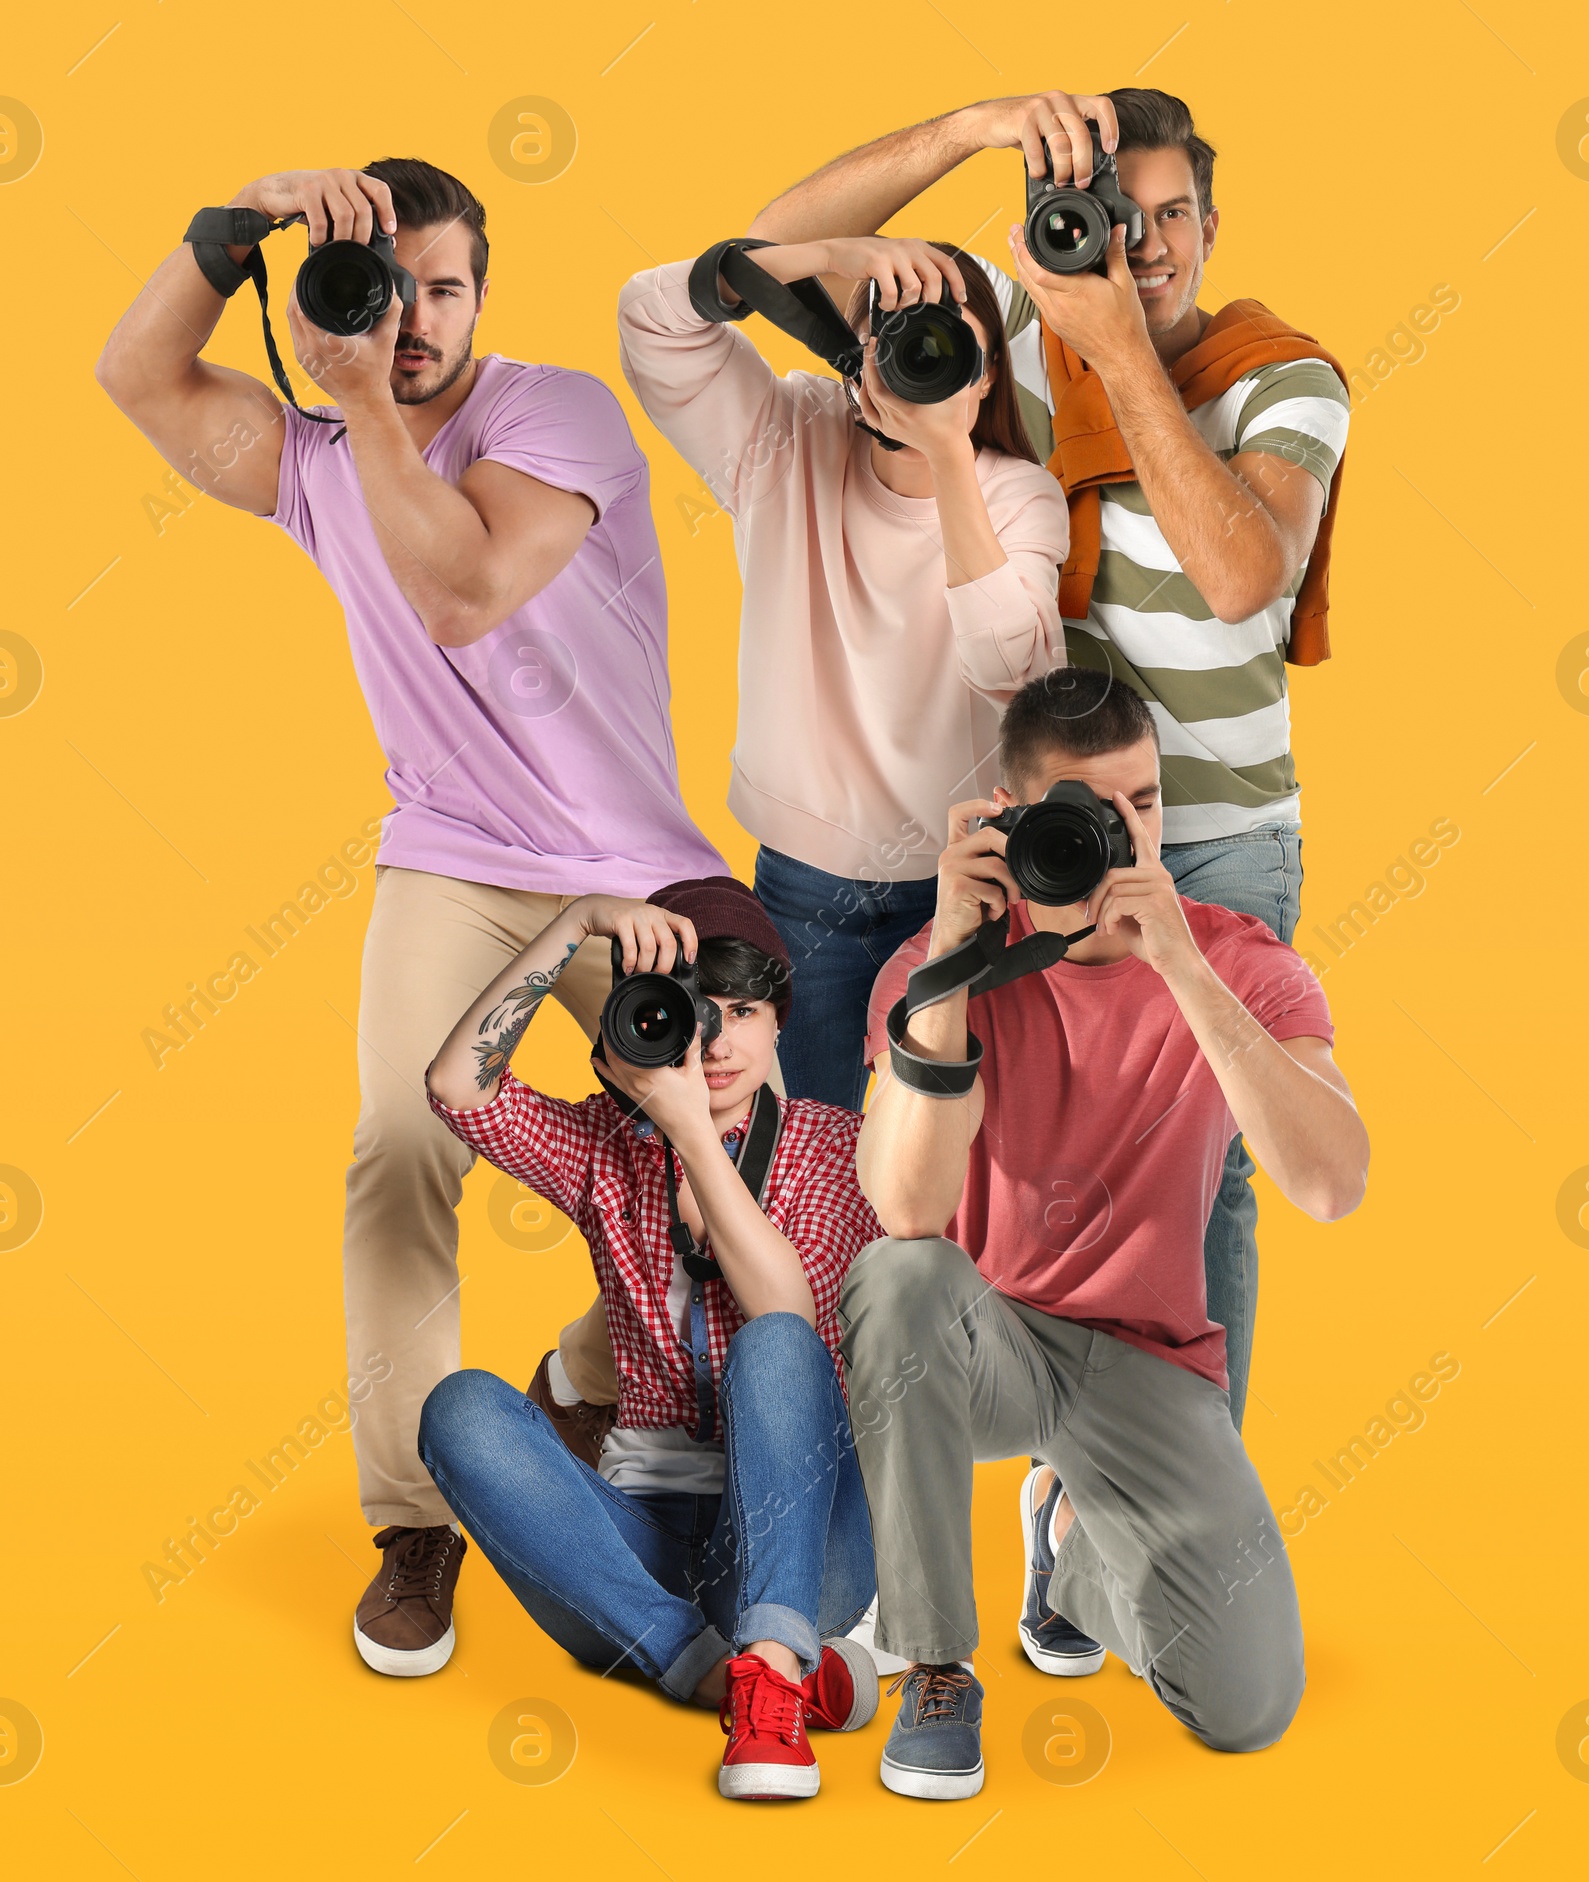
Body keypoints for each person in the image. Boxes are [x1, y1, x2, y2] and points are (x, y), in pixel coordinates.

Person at [94, 158, 729, 1675]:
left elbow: (460, 590)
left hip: (630, 867)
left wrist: (367, 399)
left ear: (481, 298)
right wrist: (233, 223)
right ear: (334, 297)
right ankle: (417, 1525)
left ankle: (580, 1381)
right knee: (398, 1141)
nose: (419, 320)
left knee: (726, 1166)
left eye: (446, 287)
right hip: (451, 859)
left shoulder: (551, 411)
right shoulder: (314, 457)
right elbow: (135, 371)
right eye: (391, 289)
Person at [748, 88, 1352, 1431]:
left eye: (1171, 215)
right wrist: (967, 131)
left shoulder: (1283, 377)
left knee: (1211, 1168)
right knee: (1014, 1144)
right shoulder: (1004, 336)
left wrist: (1119, 349)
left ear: (1213, 222)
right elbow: (761, 253)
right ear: (1049, 223)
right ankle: (1039, 1439)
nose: (1139, 243)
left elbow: (1246, 575)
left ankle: (1159, 1508)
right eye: (1106, 215)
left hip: (1213, 834)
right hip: (1042, 823)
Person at [842, 672, 1368, 1799]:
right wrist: (949, 953)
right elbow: (904, 1214)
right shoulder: (941, 968)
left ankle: (1067, 1556)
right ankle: (937, 1666)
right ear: (1018, 818)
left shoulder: (1234, 961)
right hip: (988, 1341)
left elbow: (1330, 1184)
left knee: (1247, 1706)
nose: (1122, 838)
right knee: (895, 1278)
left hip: (1146, 1360)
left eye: (1145, 805)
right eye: (1087, 812)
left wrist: (1178, 964)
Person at [418, 878, 883, 1801]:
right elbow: (454, 1086)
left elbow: (788, 1313)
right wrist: (577, 926)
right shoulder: (603, 1146)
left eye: (744, 1011)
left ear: (780, 1021)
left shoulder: (837, 1145)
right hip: (640, 1542)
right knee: (459, 1407)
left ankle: (754, 1659)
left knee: (774, 1348)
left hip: (802, 1533)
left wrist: (691, 1134)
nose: (718, 1042)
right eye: (690, 1013)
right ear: (638, 1025)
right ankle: (750, 1678)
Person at [616, 232, 1070, 1111]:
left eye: (949, 344)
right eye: (898, 336)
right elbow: (650, 319)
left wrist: (946, 459)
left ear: (985, 373)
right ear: (857, 361)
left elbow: (1013, 672)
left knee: (941, 1167)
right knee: (810, 1150)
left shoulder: (1016, 493)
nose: (924, 358)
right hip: (803, 882)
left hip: (962, 883)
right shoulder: (789, 435)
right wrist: (836, 255)